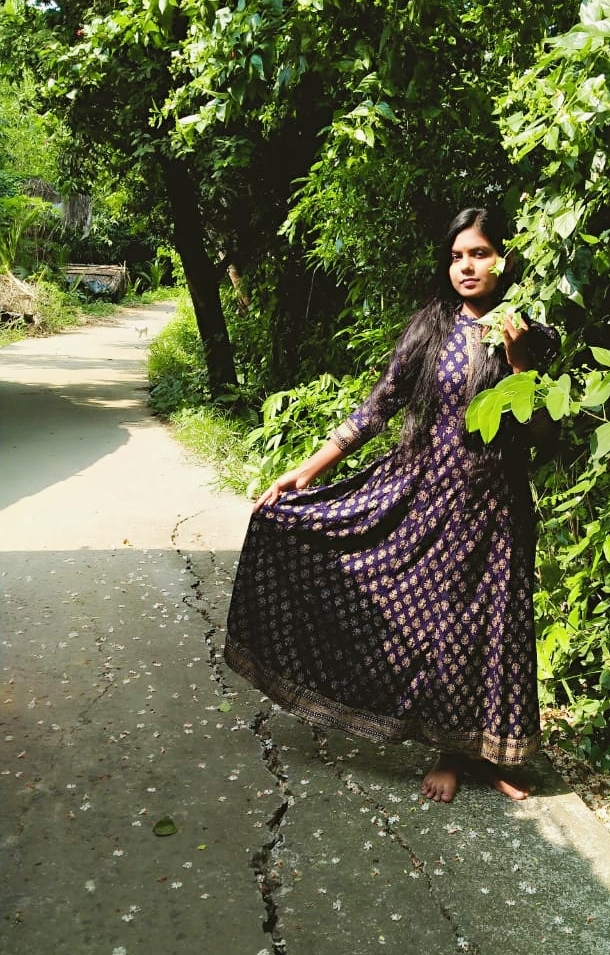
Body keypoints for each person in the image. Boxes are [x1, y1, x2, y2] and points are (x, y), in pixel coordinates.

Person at [223, 207, 557, 803]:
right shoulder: (431, 328)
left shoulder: (532, 332)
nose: (466, 266)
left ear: (504, 259)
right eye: (456, 256)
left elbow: (545, 435)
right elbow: (377, 407)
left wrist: (520, 362)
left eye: (479, 253)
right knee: (437, 620)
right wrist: (307, 470)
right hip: (427, 498)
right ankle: (448, 751)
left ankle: (488, 753)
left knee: (496, 626)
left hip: (498, 507)